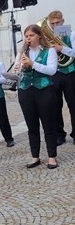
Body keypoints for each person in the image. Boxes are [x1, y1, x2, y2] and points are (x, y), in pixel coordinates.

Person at [13, 24, 59, 169]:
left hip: (44, 90)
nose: (28, 38)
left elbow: (52, 71)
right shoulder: (22, 53)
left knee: (48, 124)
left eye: (31, 35)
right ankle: (35, 156)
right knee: (31, 125)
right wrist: (18, 67)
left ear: (39, 36)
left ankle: (52, 157)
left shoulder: (49, 51)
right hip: (26, 90)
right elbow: (17, 72)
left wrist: (33, 64)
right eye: (26, 36)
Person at [47, 10, 75, 146]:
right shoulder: (48, 37)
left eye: (57, 22)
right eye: (52, 23)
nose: (55, 25)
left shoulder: (71, 34)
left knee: (73, 105)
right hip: (55, 73)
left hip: (70, 72)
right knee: (55, 106)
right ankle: (59, 134)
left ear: (63, 21)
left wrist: (61, 48)